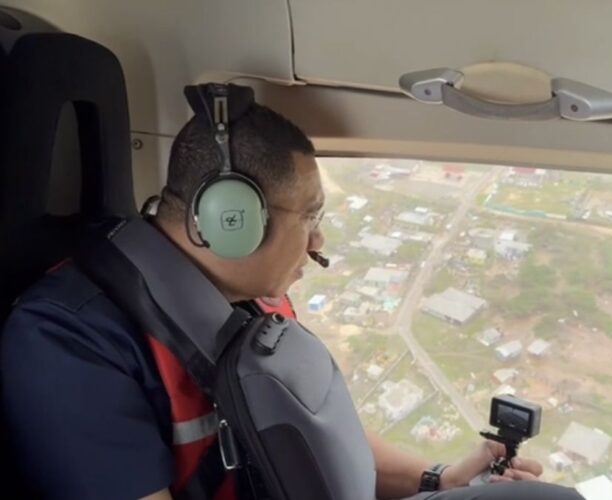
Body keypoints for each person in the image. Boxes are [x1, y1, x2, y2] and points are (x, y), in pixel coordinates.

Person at [1, 88, 582, 500]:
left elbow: (315, 438)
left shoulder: (253, 301)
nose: (319, 242)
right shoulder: (68, 342)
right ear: (232, 218)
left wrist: (438, 479)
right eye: (309, 216)